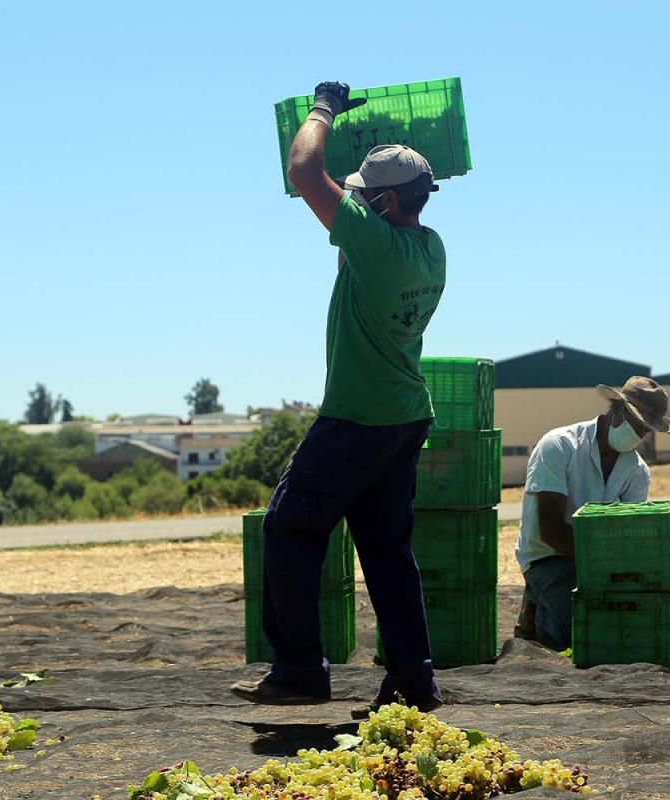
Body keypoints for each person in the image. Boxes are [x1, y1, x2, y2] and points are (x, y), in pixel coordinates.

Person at [230, 82, 446, 713]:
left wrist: (322, 108)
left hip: (359, 417)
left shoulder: (373, 242)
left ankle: (299, 670)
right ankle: (413, 680)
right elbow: (365, 230)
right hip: (406, 417)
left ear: (382, 201)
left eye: (364, 194)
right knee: (386, 552)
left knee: (290, 528)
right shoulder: (430, 248)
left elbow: (303, 169)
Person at [512, 376, 670, 652]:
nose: (639, 435)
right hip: (550, 558)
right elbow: (550, 531)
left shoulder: (636, 470)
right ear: (617, 410)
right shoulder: (558, 446)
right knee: (575, 638)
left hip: (605, 561)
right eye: (637, 425)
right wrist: (606, 567)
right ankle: (536, 600)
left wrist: (633, 576)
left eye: (645, 430)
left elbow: (633, 528)